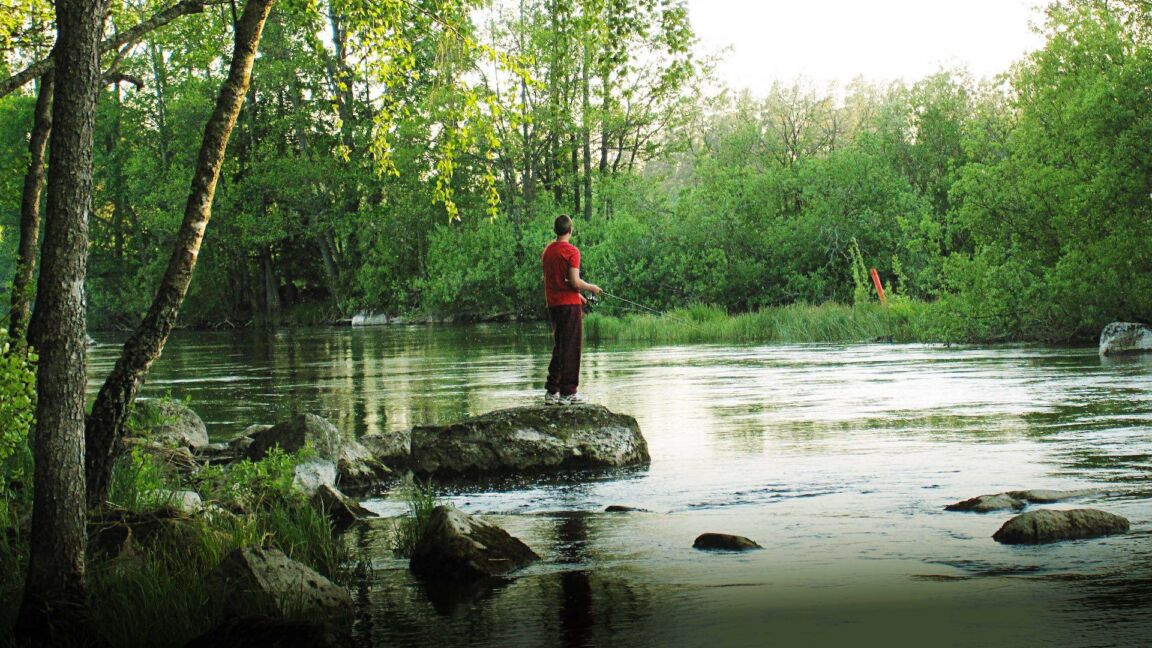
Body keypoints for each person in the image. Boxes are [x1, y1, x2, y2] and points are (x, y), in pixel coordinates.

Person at [542, 215, 602, 405]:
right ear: (570, 230)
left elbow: (558, 281)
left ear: (556, 230)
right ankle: (569, 392)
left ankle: (552, 391)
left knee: (560, 346)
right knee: (572, 348)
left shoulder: (547, 251)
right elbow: (574, 281)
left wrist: (577, 295)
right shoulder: (572, 251)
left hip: (554, 305)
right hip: (569, 307)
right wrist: (591, 288)